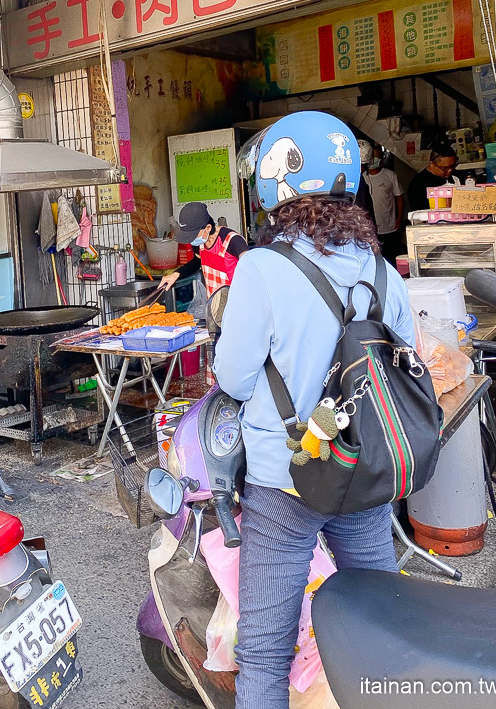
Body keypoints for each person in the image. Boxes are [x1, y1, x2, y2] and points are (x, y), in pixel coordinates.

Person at [213, 110, 414, 709]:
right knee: (385, 625)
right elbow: (407, 362)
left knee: (266, 649)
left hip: (286, 479)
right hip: (367, 475)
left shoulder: (262, 268)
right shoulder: (382, 273)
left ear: (277, 187)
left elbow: (232, 375)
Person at [157, 201, 248, 297]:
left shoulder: (233, 241)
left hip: (238, 302)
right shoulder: (199, 244)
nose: (191, 239)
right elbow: (197, 262)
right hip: (215, 305)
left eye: (194, 235)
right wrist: (176, 274)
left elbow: (251, 268)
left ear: (208, 228)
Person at [363, 142, 404, 264]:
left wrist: (399, 219)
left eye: (377, 156)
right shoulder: (361, 177)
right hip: (370, 229)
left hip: (389, 226)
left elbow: (399, 198)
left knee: (391, 258)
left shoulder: (390, 175)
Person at [406, 142, 459, 213]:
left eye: (452, 166)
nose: (450, 170)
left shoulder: (456, 175)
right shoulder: (417, 185)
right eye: (444, 168)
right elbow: (419, 213)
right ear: (432, 164)